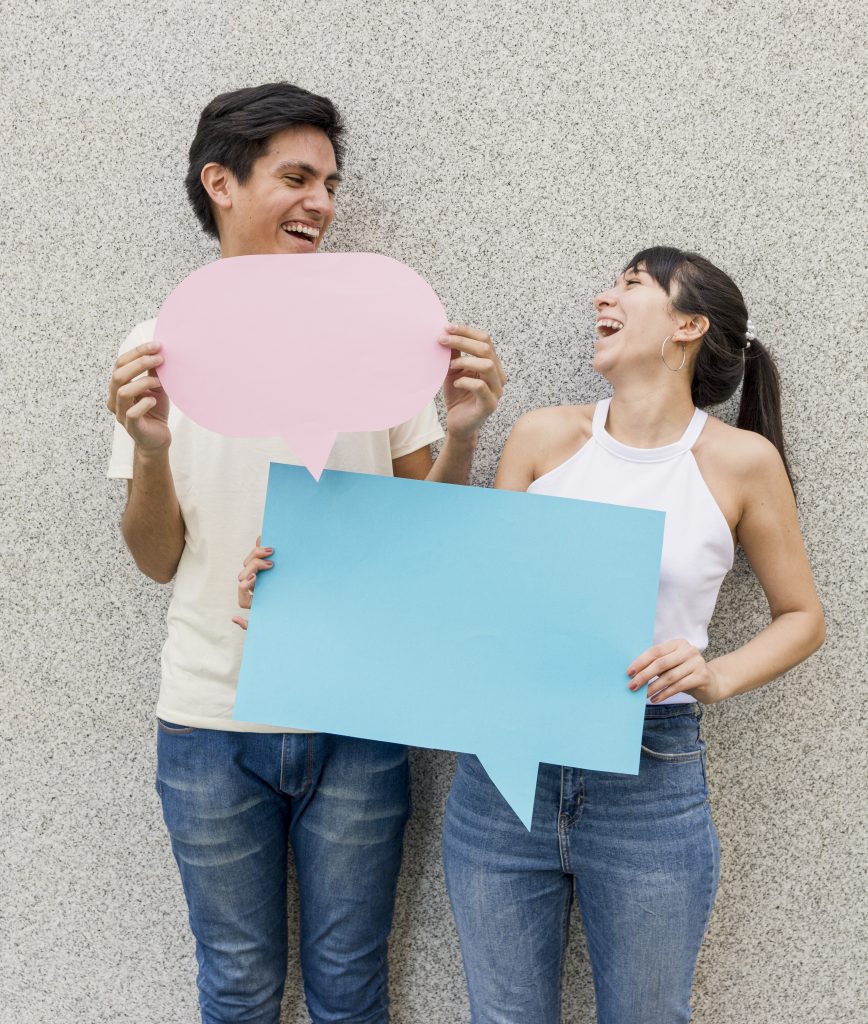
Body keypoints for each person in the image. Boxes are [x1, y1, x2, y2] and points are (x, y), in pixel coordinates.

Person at [105, 81, 505, 1024]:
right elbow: (156, 559)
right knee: (237, 988)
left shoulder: (389, 329)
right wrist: (153, 452)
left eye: (329, 180)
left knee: (350, 990)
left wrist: (463, 436)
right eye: (296, 177)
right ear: (221, 184)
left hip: (358, 714)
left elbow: (425, 542)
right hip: (208, 716)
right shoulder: (156, 346)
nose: (321, 202)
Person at [439, 246, 825, 1024]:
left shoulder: (741, 463)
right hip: (505, 771)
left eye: (630, 285)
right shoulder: (541, 437)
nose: (601, 298)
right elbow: (473, 590)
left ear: (688, 325)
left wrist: (714, 674)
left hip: (652, 772)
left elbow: (804, 617)